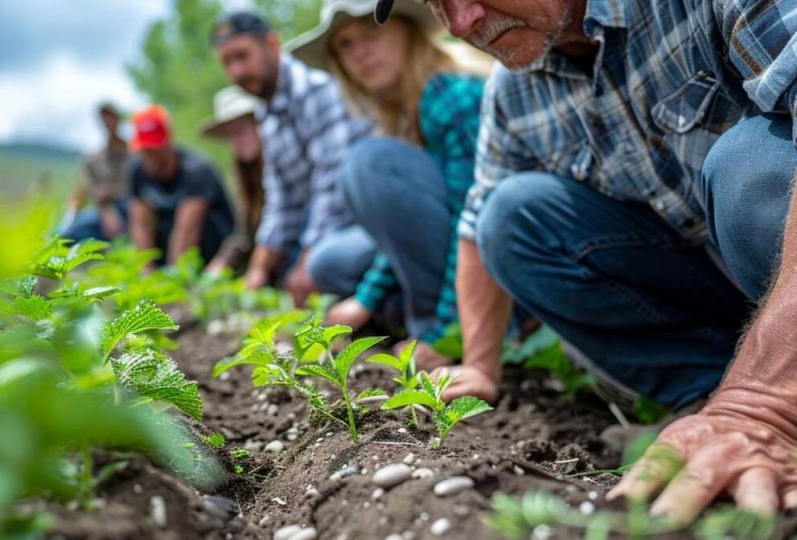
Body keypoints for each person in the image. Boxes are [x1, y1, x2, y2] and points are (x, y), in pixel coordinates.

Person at [376, 0, 797, 524]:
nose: (462, 24)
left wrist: (764, 407)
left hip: (776, 256)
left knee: (750, 171)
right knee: (513, 215)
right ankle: (709, 399)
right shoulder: (515, 91)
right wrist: (481, 365)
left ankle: (771, 405)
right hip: (720, 281)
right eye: (438, 5)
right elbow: (478, 217)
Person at [291, 0, 487, 370]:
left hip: (492, 263)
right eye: (345, 45)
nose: (360, 52)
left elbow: (473, 224)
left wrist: (447, 333)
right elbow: (406, 228)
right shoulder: (403, 113)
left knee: (370, 164)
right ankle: (399, 313)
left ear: (409, 32)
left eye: (372, 32)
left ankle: (454, 327)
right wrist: (365, 300)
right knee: (329, 261)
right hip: (452, 253)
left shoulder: (450, 97)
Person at [212, 11, 371, 307]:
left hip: (366, 223)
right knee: (285, 274)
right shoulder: (266, 114)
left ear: (271, 44)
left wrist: (305, 264)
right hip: (328, 233)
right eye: (227, 63)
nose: (237, 72)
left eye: (242, 56)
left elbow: (333, 187)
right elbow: (282, 200)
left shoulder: (317, 89)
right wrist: (258, 271)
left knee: (320, 266)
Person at [128, 105, 235, 268]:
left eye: (154, 149)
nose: (150, 156)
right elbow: (140, 224)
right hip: (170, 247)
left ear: (167, 141)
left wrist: (174, 283)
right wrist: (147, 273)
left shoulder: (196, 169)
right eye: (145, 150)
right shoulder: (137, 171)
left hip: (211, 252)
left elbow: (187, 232)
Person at [201, 86, 265, 275]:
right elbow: (243, 234)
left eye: (241, 130)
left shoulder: (280, 163)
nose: (237, 140)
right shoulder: (243, 176)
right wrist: (218, 266)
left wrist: (260, 267)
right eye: (230, 135)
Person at [60, 102, 130, 243]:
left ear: (118, 119)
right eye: (104, 118)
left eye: (110, 117)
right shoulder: (94, 159)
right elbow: (90, 188)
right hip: (102, 209)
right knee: (71, 232)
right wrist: (106, 209)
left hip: (130, 208)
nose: (107, 122)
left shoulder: (133, 154)